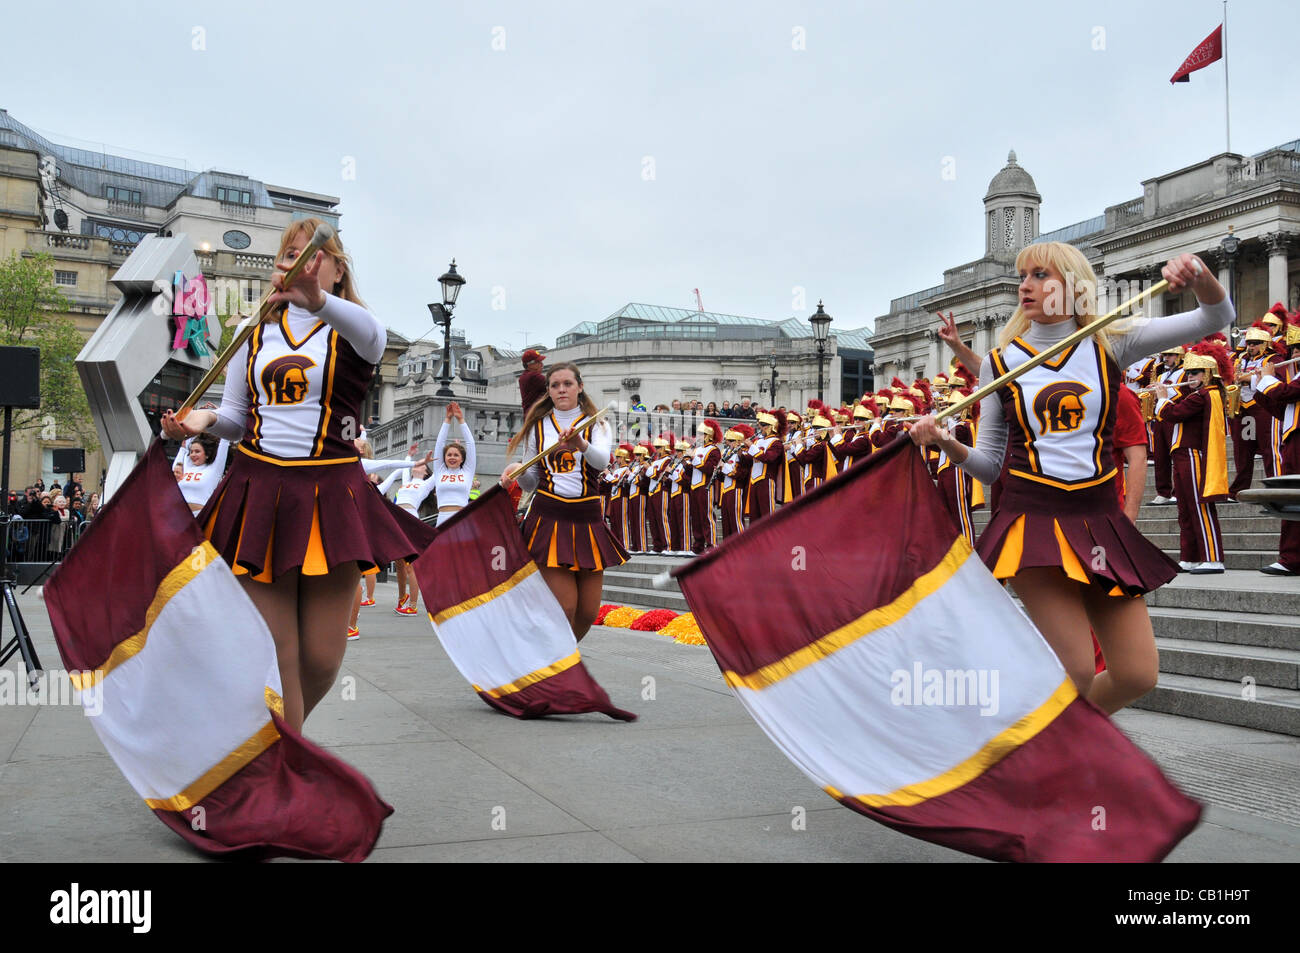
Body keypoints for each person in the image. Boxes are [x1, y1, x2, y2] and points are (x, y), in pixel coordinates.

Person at [909, 244, 1233, 715]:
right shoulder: (999, 366)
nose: (1026, 285)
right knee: (1076, 669)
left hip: (1099, 523)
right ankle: (1045, 763)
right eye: (1023, 277)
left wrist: (1199, 273)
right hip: (1033, 525)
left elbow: (1215, 316)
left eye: (1040, 275)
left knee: (1136, 673)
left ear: (1074, 286)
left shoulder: (1111, 342)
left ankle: (1039, 745)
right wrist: (944, 443)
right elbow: (990, 465)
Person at [161, 217, 432, 731]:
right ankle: (283, 764)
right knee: (278, 650)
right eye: (289, 254)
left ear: (335, 268)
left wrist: (317, 301)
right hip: (259, 491)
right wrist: (201, 421)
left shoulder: (356, 327)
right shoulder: (253, 330)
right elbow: (239, 418)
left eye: (313, 255)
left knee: (323, 659)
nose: (299, 264)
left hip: (333, 496)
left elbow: (372, 335)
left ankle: (267, 751)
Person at [502, 362, 627, 641]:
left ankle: (555, 659)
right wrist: (517, 472)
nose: (561, 390)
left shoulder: (598, 423)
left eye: (567, 384)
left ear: (580, 387)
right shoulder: (538, 427)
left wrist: (580, 444)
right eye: (555, 385)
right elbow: (531, 482)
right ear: (548, 391)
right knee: (565, 606)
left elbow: (602, 462)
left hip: (588, 520)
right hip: (549, 518)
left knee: (587, 613)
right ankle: (555, 665)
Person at [1154, 341, 1232, 573]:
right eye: (1188, 372)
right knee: (1185, 510)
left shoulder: (1204, 395)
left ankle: (1212, 557)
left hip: (1192, 455)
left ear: (1208, 373)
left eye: (1195, 372)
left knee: (1199, 507)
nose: (1190, 376)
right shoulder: (1198, 393)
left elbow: (1173, 414)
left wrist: (1162, 397)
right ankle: (1189, 557)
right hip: (1182, 455)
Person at [1251, 312, 1300, 575]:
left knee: (1293, 495)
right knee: (1292, 498)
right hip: (1292, 439)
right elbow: (1281, 408)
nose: (1294, 354)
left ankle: (1291, 558)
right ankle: (1291, 557)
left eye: (1298, 349)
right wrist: (1260, 385)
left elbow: (1286, 392)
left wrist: (1269, 378)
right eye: (1293, 349)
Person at [433, 401, 476, 526]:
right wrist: (447, 419)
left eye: (456, 455)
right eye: (449, 455)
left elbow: (471, 444)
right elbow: (439, 444)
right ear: (444, 458)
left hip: (462, 521)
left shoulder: (467, 471)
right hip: (442, 520)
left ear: (462, 459)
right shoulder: (440, 470)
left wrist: (461, 420)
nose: (452, 458)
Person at [172, 432, 230, 513]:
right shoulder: (187, 466)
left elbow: (225, 441)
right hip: (178, 514)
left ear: (207, 454)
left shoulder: (214, 469)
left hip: (200, 516)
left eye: (197, 451)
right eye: (191, 452)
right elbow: (188, 437)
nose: (193, 454)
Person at [519, 349, 546, 413]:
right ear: (530, 364)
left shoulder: (523, 376)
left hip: (530, 414)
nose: (542, 364)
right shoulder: (534, 376)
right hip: (537, 415)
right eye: (538, 362)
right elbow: (555, 384)